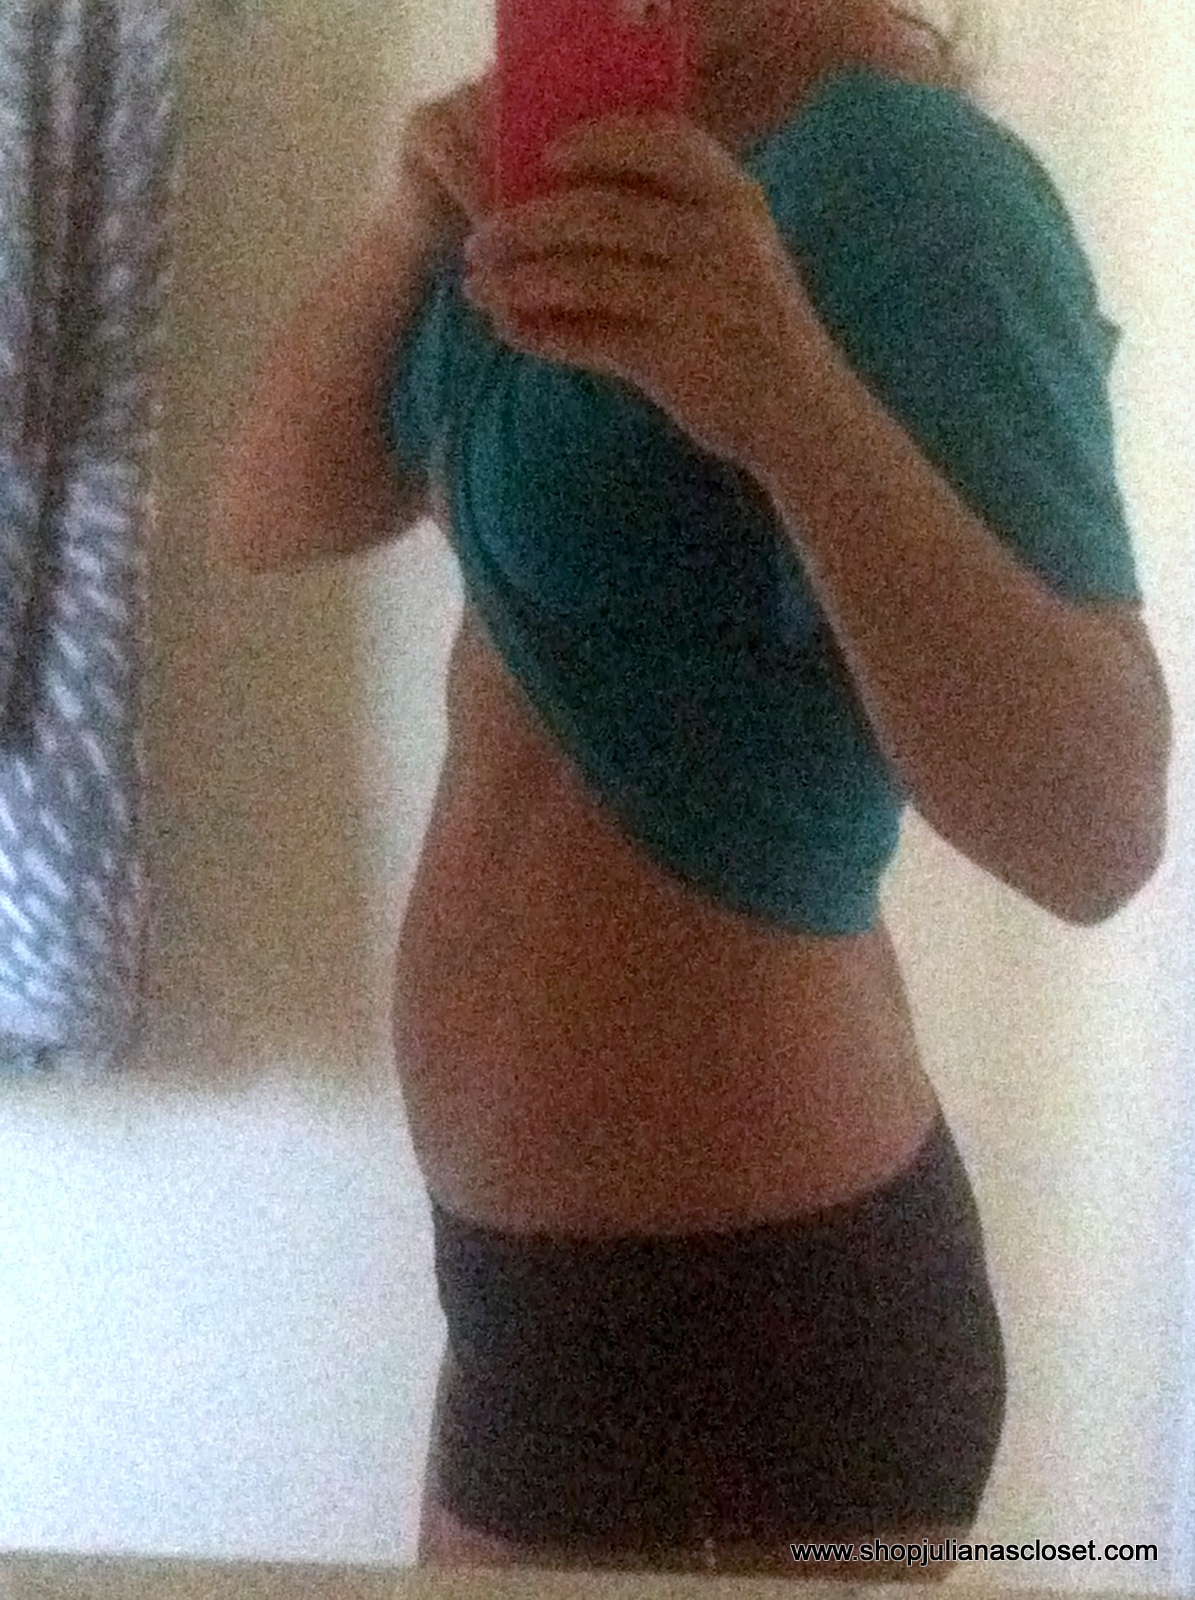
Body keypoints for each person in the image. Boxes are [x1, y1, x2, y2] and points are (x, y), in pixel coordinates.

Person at [217, 0, 1170, 1578]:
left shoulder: (910, 184)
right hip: (530, 1298)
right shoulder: (574, 157)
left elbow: (1101, 829)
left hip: (754, 1318)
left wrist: (784, 393)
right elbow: (271, 513)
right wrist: (406, 224)